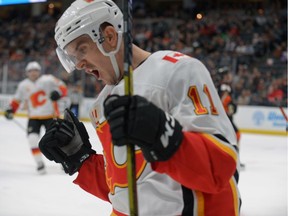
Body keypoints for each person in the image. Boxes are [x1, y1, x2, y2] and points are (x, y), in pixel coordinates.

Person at [39, 0, 241, 215]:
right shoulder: (102, 105)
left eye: (81, 50)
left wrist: (163, 134)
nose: (79, 64)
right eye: (72, 56)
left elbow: (219, 169)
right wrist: (81, 160)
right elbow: (128, 188)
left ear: (109, 36)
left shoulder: (177, 70)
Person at [4, 61, 68, 174]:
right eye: (30, 71)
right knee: (32, 140)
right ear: (27, 73)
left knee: (55, 140)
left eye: (35, 70)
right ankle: (39, 163)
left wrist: (58, 93)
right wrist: (11, 110)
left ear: (39, 71)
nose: (33, 73)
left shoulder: (48, 79)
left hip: (50, 115)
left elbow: (63, 87)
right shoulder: (23, 85)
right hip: (34, 118)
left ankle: (64, 161)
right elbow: (17, 100)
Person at [220, 84, 245, 169]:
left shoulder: (222, 99)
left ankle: (231, 159)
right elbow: (231, 111)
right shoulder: (227, 99)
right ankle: (234, 159)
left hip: (223, 123)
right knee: (235, 137)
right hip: (226, 123)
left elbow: (231, 111)